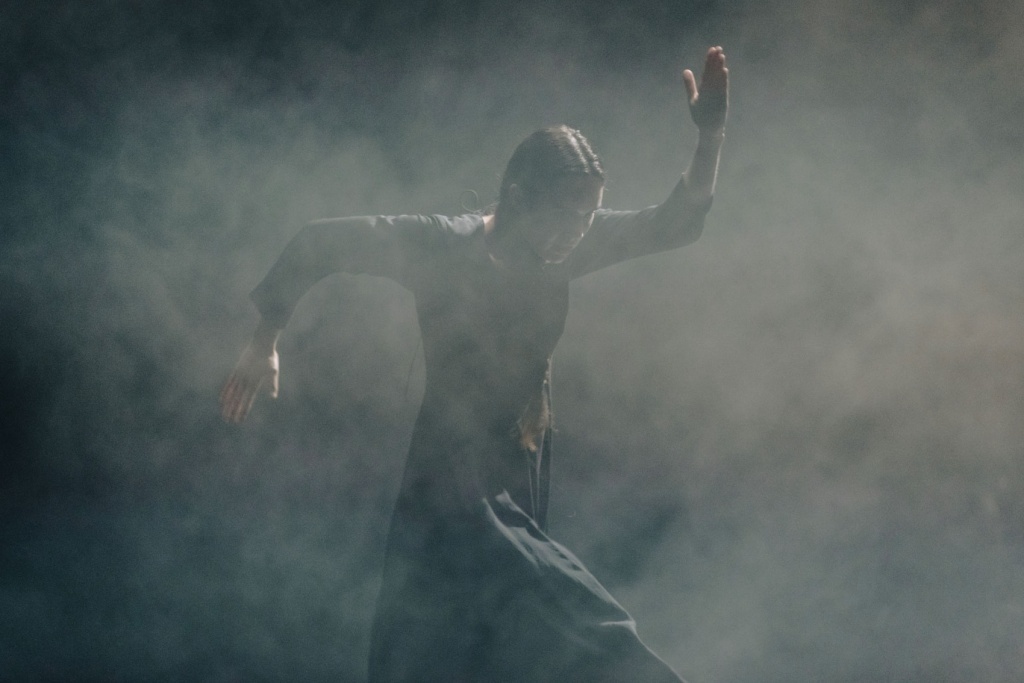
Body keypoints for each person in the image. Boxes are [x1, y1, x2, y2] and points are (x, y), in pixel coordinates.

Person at [221, 46, 728, 682]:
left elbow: (675, 224)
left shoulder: (571, 247)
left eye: (589, 215)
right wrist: (264, 338)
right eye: (566, 214)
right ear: (518, 194)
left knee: (486, 639)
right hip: (451, 478)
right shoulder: (443, 245)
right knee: (566, 618)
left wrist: (710, 134)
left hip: (521, 463)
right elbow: (321, 241)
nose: (578, 230)